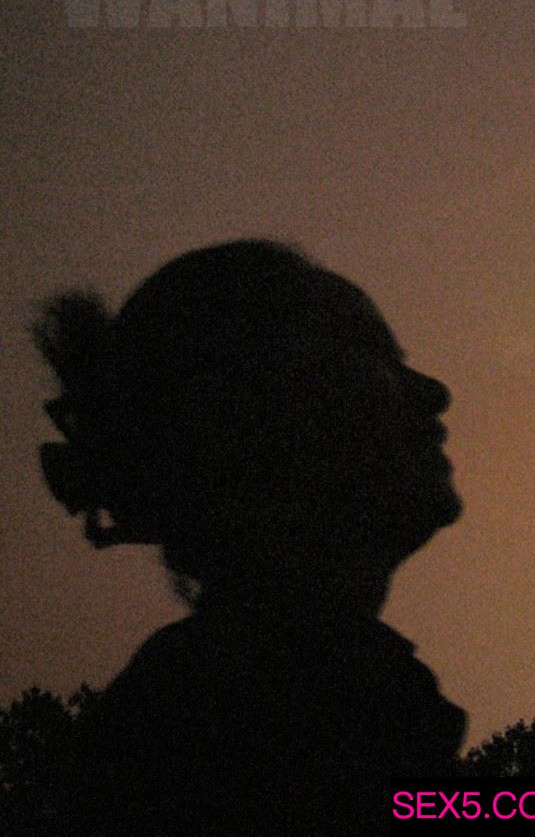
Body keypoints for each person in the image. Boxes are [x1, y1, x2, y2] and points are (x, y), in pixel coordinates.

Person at [31, 240, 465, 834]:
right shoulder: (237, 730)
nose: (434, 393)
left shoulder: (212, 706)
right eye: (374, 357)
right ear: (259, 416)